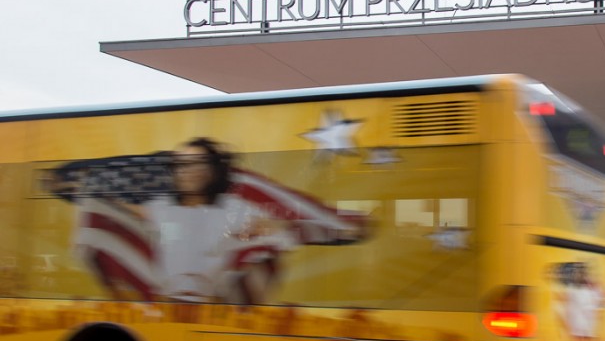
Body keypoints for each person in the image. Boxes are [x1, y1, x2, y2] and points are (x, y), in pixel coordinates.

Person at [49, 137, 370, 304]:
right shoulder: (161, 206)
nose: (189, 172)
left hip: (217, 311)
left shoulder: (235, 206)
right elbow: (125, 217)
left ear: (213, 170)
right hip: (164, 307)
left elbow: (278, 227)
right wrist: (80, 185)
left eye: (198, 164)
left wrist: (280, 227)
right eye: (182, 165)